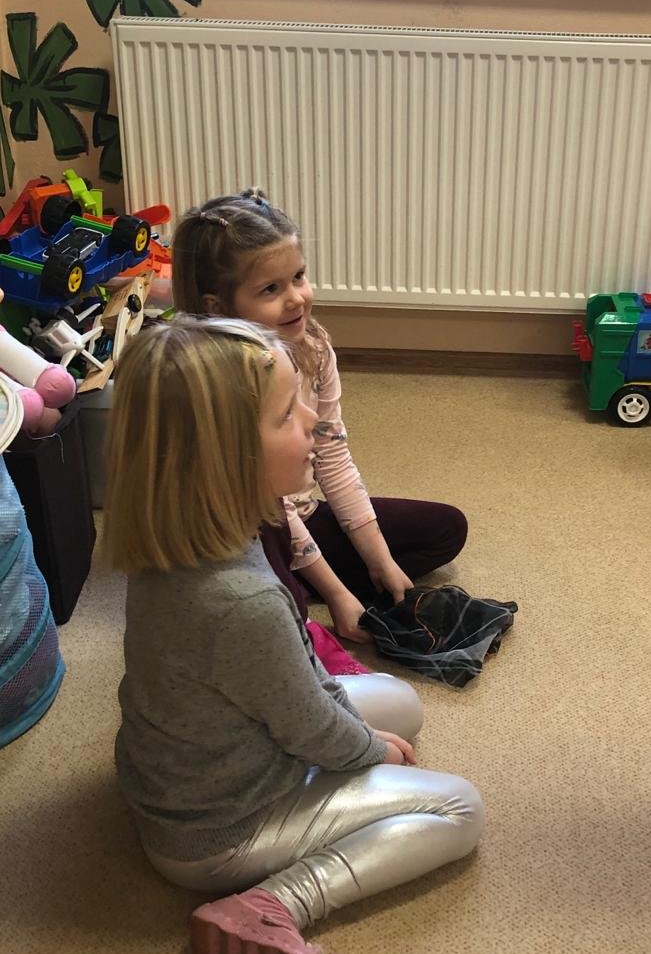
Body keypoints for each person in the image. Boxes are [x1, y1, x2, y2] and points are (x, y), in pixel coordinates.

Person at [106, 317, 484, 954]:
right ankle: (270, 905)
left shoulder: (201, 534)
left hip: (186, 768)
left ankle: (343, 780)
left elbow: (296, 676)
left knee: (400, 702)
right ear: (223, 458)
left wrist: (359, 730)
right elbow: (310, 728)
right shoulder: (237, 601)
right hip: (218, 833)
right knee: (458, 806)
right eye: (286, 415)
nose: (314, 420)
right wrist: (370, 753)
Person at [171, 191, 468, 642]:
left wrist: (380, 561)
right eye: (271, 289)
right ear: (218, 307)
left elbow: (332, 455)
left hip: (298, 512)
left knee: (446, 529)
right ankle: (295, 586)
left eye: (298, 277)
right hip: (248, 529)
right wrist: (336, 593)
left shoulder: (314, 347)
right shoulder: (222, 380)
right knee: (275, 608)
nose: (296, 299)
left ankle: (299, 580)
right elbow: (269, 502)